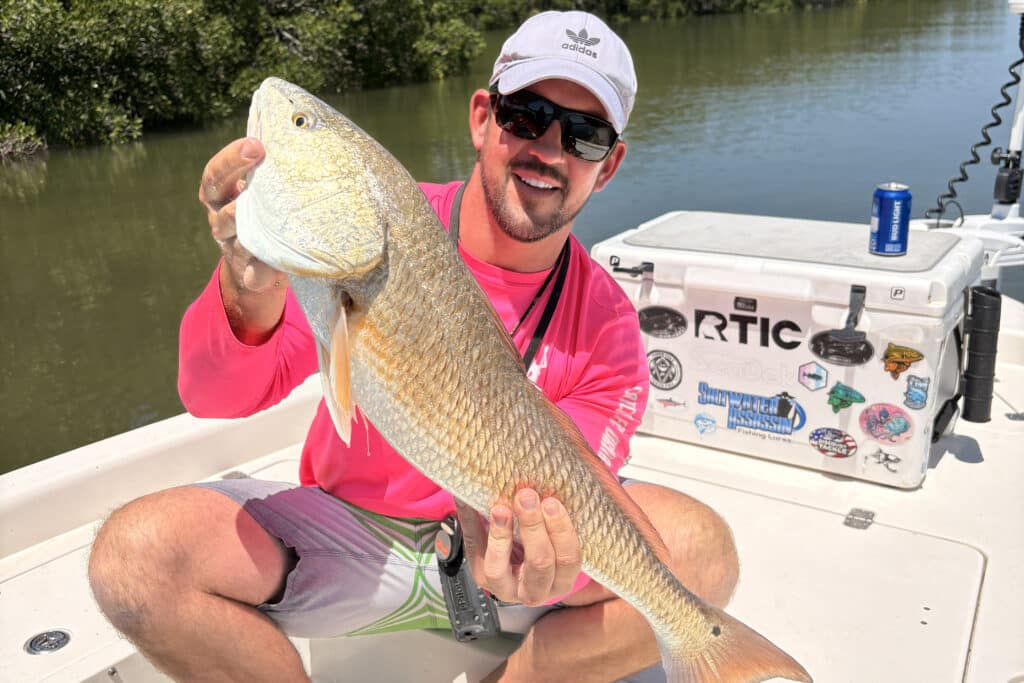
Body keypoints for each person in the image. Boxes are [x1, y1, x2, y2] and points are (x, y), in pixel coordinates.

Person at [88, 10, 739, 682]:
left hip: (502, 563)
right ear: (482, 117)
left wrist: (527, 556)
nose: (548, 148)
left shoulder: (607, 320)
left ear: (608, 167)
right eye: (527, 115)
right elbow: (215, 395)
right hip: (353, 538)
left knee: (701, 554)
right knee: (137, 556)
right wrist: (247, 282)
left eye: (586, 135)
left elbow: (569, 478)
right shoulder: (368, 234)